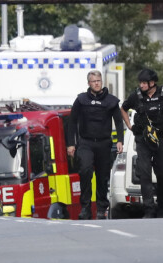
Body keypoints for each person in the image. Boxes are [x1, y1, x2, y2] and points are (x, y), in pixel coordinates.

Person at [120, 68, 163, 218]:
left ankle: (162, 205)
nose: (141, 85)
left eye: (144, 83)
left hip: (161, 139)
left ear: (152, 83)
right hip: (143, 140)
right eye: (140, 83)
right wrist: (129, 125)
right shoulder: (136, 96)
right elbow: (123, 109)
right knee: (144, 173)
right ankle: (149, 208)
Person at [66, 70, 124, 220]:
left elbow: (118, 121)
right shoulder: (81, 99)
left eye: (99, 80)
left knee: (102, 177)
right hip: (85, 142)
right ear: (89, 83)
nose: (97, 83)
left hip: (104, 143)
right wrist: (71, 144)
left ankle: (101, 207)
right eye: (94, 81)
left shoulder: (111, 100)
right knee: (85, 171)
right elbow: (72, 122)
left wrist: (120, 140)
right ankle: (85, 207)